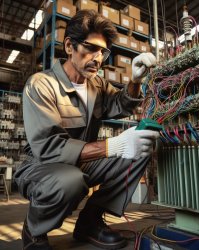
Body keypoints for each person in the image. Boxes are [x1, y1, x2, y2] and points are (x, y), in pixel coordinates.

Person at [14, 9, 159, 250]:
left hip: (83, 162)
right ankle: (34, 229)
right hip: (41, 165)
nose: (98, 58)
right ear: (69, 46)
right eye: (91, 48)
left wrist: (134, 81)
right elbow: (50, 147)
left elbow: (120, 105)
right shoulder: (41, 84)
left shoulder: (98, 84)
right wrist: (115, 146)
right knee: (70, 181)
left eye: (103, 51)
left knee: (141, 148)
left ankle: (90, 221)